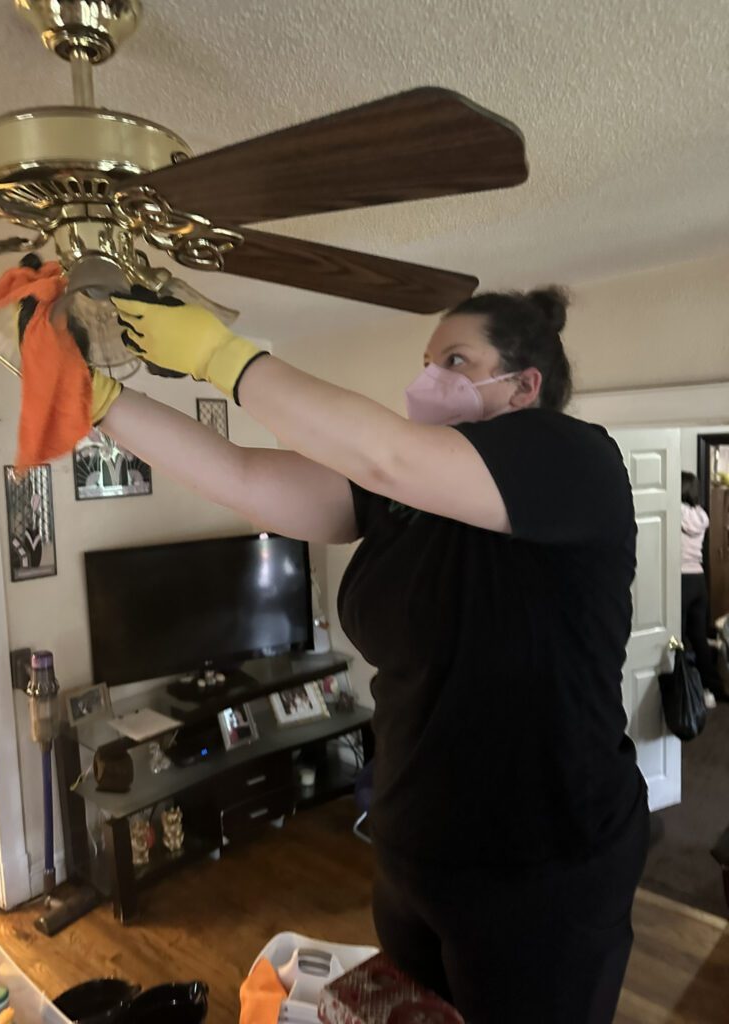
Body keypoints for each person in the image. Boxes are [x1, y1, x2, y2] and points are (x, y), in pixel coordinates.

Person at [80, 283, 649, 1023]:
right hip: (416, 847)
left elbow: (386, 455)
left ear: (523, 386)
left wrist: (220, 356)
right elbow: (244, 478)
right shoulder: (405, 500)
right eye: (426, 361)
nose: (429, 378)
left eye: (455, 360)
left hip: (542, 865)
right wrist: (100, 401)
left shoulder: (574, 460)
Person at [681, 471, 727, 704]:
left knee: (675, 637)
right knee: (699, 637)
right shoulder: (701, 514)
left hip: (681, 579)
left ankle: (681, 690)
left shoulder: (676, 511)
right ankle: (714, 688)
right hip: (699, 580)